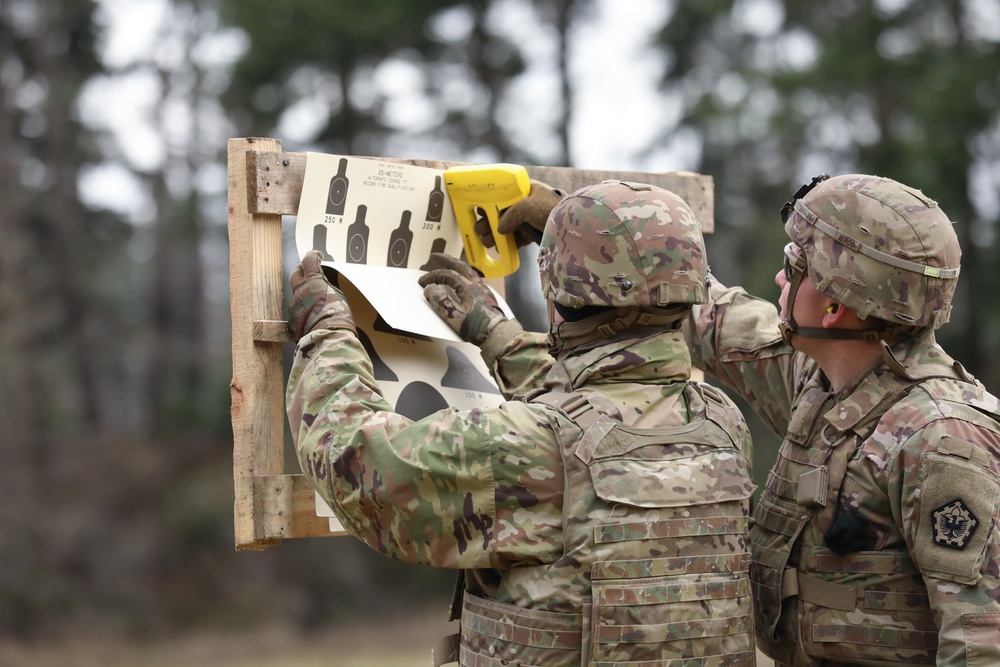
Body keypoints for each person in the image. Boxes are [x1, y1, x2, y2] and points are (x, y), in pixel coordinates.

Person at [285, 180, 757, 666]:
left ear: (560, 293)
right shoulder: (721, 423)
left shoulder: (524, 448)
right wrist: (499, 336)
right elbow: (606, 404)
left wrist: (327, 335)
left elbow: (359, 465)